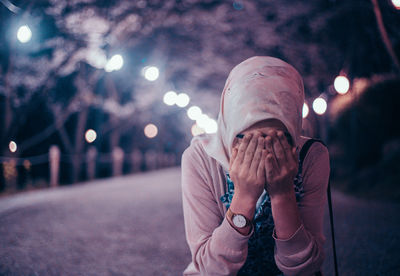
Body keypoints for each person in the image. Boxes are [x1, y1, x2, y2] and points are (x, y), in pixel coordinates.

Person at [181, 56, 330, 275]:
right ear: (229, 128)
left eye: (278, 140)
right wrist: (244, 197)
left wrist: (283, 195)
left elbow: (305, 267)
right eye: (246, 140)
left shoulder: (311, 157)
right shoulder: (201, 158)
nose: (262, 154)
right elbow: (212, 269)